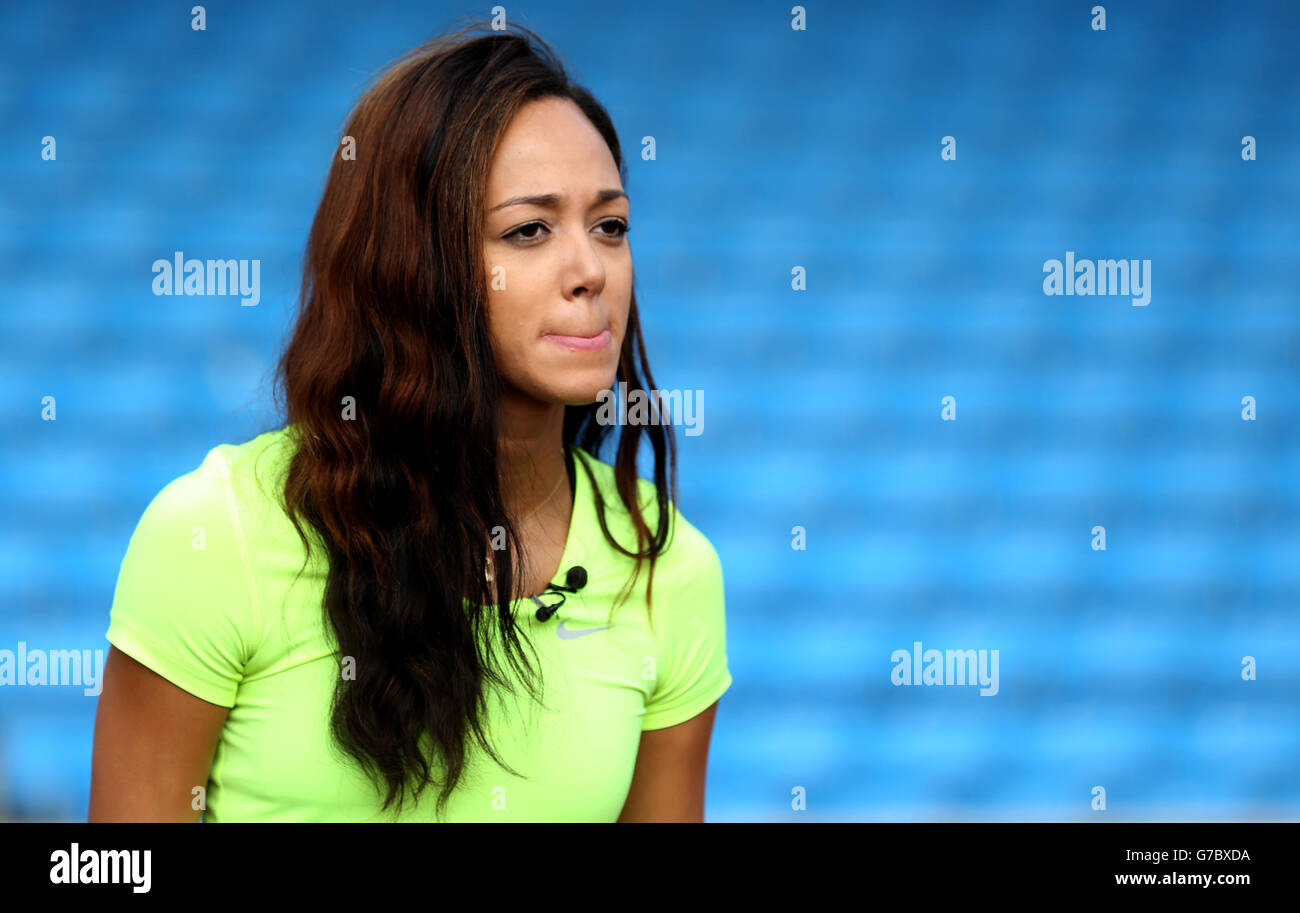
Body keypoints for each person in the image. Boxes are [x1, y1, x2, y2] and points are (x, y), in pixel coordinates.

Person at [88, 22, 732, 822]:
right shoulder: (216, 535)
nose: (590, 270)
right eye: (529, 230)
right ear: (412, 261)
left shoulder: (666, 571)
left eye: (610, 225)